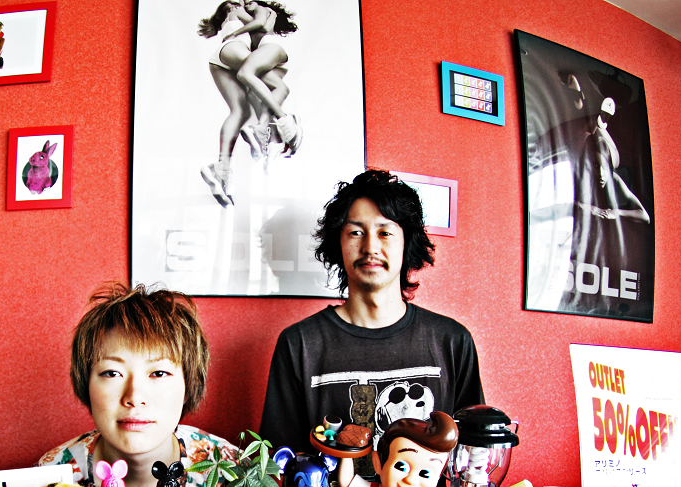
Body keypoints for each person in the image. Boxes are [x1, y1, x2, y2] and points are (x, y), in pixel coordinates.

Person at [260, 169, 484, 456]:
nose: (370, 247)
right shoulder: (299, 344)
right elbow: (280, 462)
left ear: (407, 242)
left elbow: (474, 455)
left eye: (385, 232)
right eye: (356, 232)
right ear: (339, 243)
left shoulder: (452, 342)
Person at [38, 283, 239, 487]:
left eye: (159, 372)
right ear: (86, 383)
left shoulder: (233, 473)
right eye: (112, 372)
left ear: (188, 384)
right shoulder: (52, 476)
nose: (134, 396)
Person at [197, 0, 301, 206]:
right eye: (239, 3)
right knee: (279, 86)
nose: (242, 5)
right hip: (233, 49)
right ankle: (281, 123)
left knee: (239, 111)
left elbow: (259, 24)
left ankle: (221, 168)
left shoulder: (236, 18)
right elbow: (260, 23)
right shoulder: (238, 12)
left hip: (220, 58)